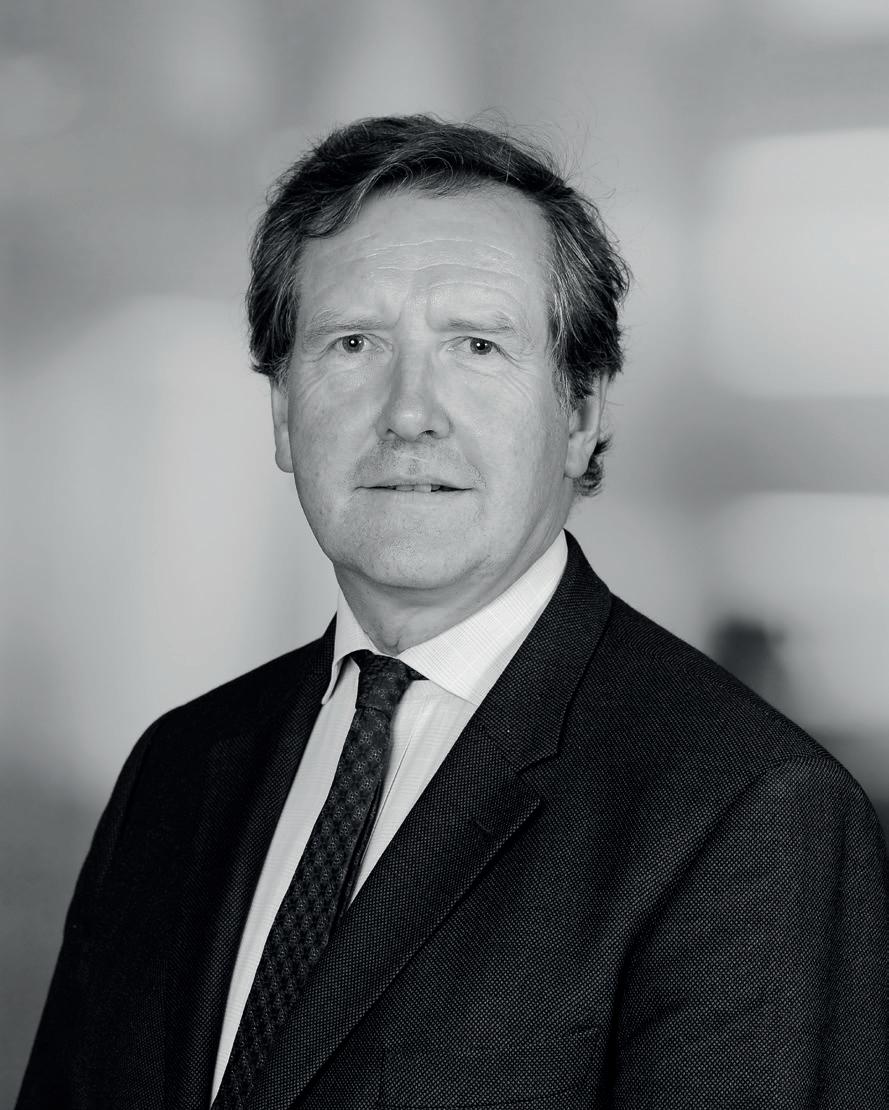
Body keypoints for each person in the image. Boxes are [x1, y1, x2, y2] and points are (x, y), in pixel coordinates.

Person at [17, 115, 889, 1110]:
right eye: (352, 344)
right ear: (283, 413)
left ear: (580, 413)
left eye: (476, 345)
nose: (407, 412)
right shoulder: (177, 769)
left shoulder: (748, 809)